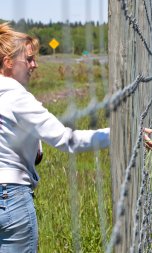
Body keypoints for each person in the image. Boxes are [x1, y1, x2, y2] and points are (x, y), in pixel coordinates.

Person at [0, 22, 111, 252]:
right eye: (28, 59)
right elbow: (66, 140)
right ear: (8, 63)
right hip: (11, 198)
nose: (35, 65)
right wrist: (118, 135)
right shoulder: (17, 97)